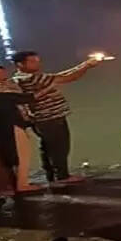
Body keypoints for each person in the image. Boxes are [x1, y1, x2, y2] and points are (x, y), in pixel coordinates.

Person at [12, 50, 107, 184]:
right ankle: (62, 176)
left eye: (37, 61)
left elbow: (60, 75)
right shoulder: (32, 79)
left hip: (42, 119)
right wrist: (87, 66)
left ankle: (51, 174)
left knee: (48, 147)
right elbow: (69, 77)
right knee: (59, 148)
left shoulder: (19, 78)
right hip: (50, 118)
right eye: (32, 62)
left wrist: (84, 64)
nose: (37, 64)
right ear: (20, 64)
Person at [0, 64, 36, 194]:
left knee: (8, 156)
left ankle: (13, 184)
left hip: (5, 125)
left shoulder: (8, 86)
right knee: (21, 154)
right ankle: (22, 184)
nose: (0, 76)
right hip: (9, 124)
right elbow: (23, 98)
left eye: (1, 73)